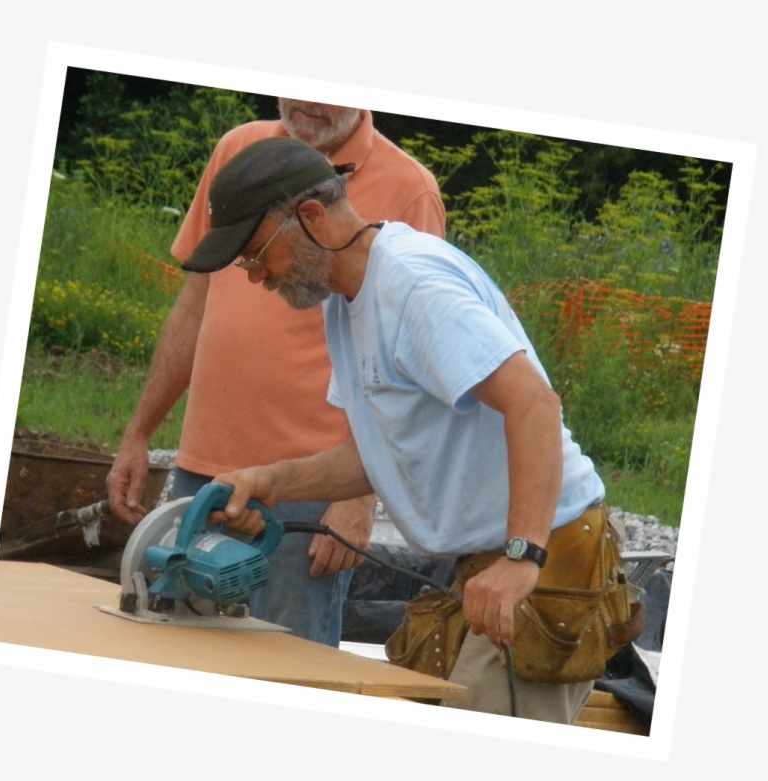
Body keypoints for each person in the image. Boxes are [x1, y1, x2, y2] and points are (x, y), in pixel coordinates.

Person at [187, 136, 636, 723]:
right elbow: (376, 456)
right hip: (492, 562)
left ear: (312, 217)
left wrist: (522, 557)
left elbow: (533, 404)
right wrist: (273, 481)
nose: (255, 277)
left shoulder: (414, 287)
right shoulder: (346, 300)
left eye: (254, 255)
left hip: (546, 558)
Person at [106, 100, 445, 647]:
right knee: (179, 647)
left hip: (311, 487)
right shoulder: (240, 152)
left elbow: (404, 357)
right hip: (205, 470)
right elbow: (195, 303)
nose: (307, 101)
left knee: (287, 661)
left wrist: (357, 499)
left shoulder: (410, 188)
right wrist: (139, 433)